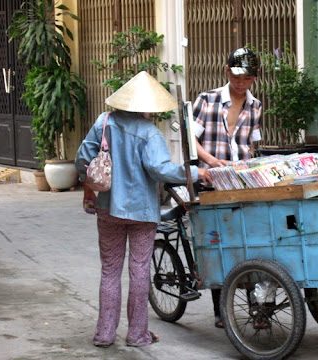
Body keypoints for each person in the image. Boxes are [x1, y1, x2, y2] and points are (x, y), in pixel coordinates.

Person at [76, 71, 209, 347]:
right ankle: (137, 334)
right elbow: (160, 170)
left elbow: (82, 159)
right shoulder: (149, 133)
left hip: (108, 209)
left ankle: (104, 333)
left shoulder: (104, 122)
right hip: (141, 214)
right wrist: (195, 173)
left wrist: (97, 180)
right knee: (139, 270)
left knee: (109, 271)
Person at [192, 47, 262, 328]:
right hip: (210, 181)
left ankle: (256, 305)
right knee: (218, 241)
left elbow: (251, 145)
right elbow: (190, 139)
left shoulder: (255, 106)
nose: (240, 83)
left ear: (254, 79)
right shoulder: (207, 100)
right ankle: (221, 310)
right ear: (226, 71)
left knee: (250, 241)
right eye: (236, 76)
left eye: (246, 78)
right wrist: (210, 161)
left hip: (241, 182)